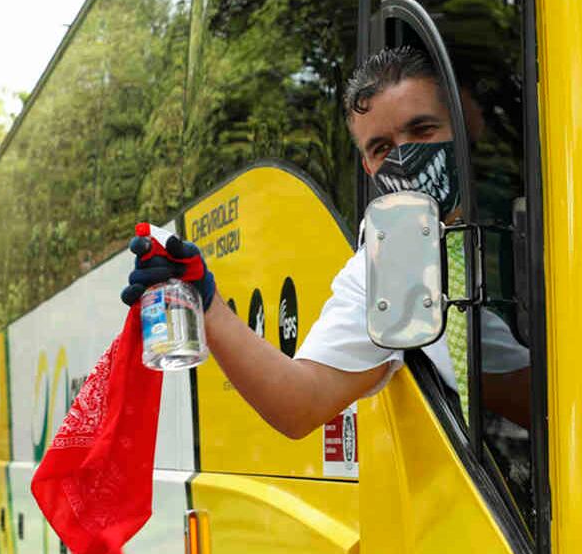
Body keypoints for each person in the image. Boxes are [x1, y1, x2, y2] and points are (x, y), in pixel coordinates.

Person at [121, 47, 531, 438]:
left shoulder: (544, 199)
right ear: (369, 165)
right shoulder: (385, 266)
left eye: (422, 129)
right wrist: (207, 303)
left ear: (465, 123)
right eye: (381, 147)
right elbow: (301, 402)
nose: (404, 157)